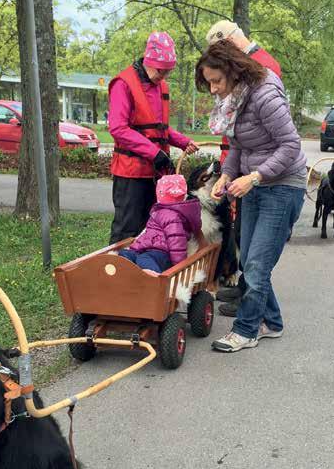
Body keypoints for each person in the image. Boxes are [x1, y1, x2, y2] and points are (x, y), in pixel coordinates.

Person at [195, 41, 306, 353]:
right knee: (252, 258)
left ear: (233, 71)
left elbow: (290, 145)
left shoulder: (265, 95)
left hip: (283, 185)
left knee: (257, 263)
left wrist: (255, 176)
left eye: (216, 81)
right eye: (209, 83)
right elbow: (239, 145)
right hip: (253, 183)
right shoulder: (236, 99)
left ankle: (246, 330)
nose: (214, 89)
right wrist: (228, 175)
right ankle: (272, 322)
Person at [205, 19, 282, 317]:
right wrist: (227, 171)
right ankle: (246, 290)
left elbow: (281, 138)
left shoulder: (262, 68)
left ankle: (250, 306)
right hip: (241, 155)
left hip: (265, 168)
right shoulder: (242, 68)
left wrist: (254, 175)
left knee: (255, 252)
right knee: (244, 240)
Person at [108, 31, 198, 244]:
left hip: (155, 172)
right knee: (127, 228)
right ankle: (116, 273)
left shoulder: (160, 86)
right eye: (160, 70)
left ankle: (143, 274)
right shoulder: (123, 84)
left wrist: (183, 142)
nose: (163, 76)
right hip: (131, 172)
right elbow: (118, 128)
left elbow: (159, 130)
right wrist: (154, 153)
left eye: (168, 72)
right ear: (148, 61)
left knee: (152, 226)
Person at [118, 174, 201, 275]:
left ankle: (154, 280)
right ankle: (125, 272)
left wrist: (178, 266)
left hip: (162, 253)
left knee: (144, 259)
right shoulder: (161, 211)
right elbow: (148, 233)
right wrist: (135, 246)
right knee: (126, 254)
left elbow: (177, 240)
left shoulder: (172, 216)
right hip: (147, 249)